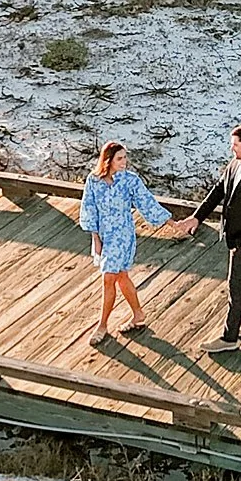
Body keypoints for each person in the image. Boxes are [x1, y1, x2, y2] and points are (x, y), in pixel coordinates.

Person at [177, 124, 241, 353]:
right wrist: (196, 218)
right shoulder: (235, 164)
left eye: (235, 145)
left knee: (236, 287)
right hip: (235, 236)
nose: (231, 148)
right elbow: (218, 191)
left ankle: (229, 338)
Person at [78, 140, 172, 346]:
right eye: (119, 158)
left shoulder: (130, 180)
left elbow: (147, 203)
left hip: (123, 235)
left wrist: (172, 223)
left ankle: (102, 325)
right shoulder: (93, 181)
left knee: (108, 278)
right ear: (108, 160)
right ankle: (138, 314)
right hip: (104, 236)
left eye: (125, 158)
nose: (124, 162)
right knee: (121, 276)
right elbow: (89, 209)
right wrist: (96, 239)